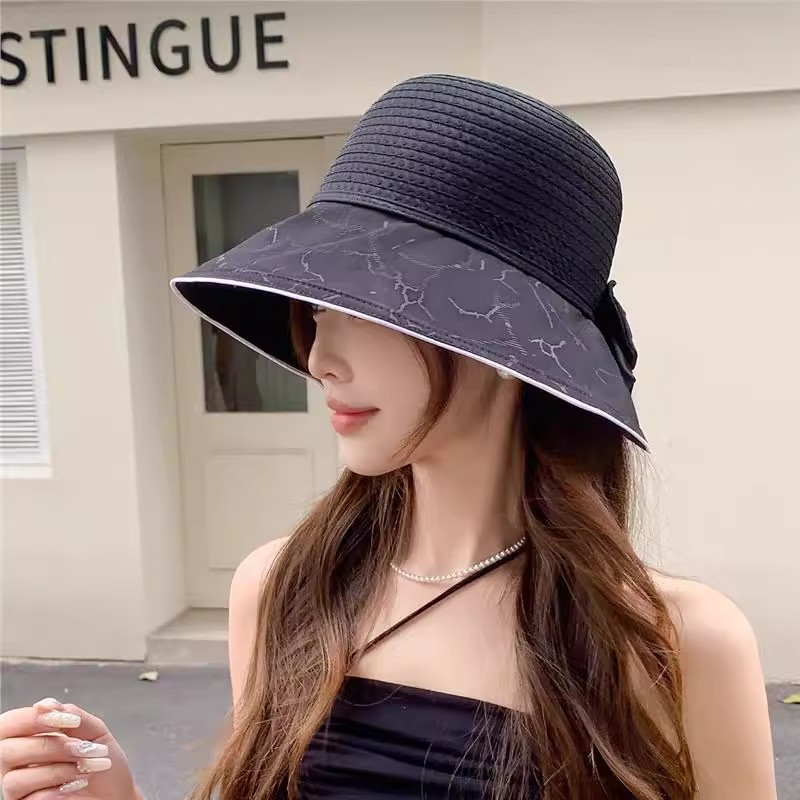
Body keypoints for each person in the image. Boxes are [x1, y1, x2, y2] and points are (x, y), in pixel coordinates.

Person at [0, 75, 777, 800]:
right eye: (317, 309)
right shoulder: (282, 590)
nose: (320, 358)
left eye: (365, 309)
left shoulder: (674, 645)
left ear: (500, 339)